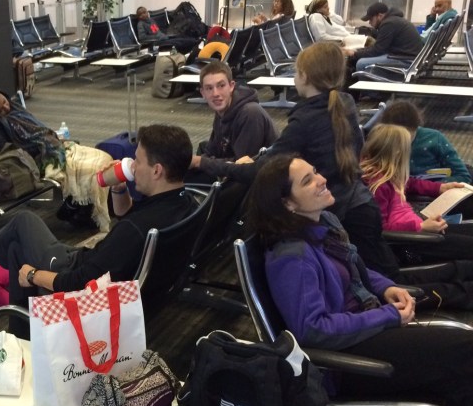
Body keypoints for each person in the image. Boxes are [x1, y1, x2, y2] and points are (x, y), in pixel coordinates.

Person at [247, 153, 473, 406]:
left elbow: (357, 270)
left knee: (462, 373)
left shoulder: (324, 223)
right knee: (465, 353)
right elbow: (312, 331)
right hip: (348, 360)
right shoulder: (292, 256)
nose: (321, 179)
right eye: (307, 180)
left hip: (365, 326)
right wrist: (387, 314)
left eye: (315, 171)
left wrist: (386, 288)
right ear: (287, 204)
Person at [189, 41, 400, 278]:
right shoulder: (344, 102)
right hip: (359, 203)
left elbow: (259, 173)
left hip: (340, 214)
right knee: (383, 277)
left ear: (304, 76)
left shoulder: (305, 121)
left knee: (383, 285)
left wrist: (202, 162)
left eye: (296, 72)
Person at [0, 124, 197, 311]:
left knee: (24, 221)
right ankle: (22, 328)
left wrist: (33, 275)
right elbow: (126, 215)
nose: (133, 166)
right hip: (133, 283)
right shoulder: (185, 203)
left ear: (157, 170)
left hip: (77, 276)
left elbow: (79, 283)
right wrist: (118, 187)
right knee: (16, 250)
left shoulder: (134, 229)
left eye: (137, 160)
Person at [0, 79, 113, 231]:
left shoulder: (15, 108)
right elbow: (12, 154)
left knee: (102, 158)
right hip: (33, 160)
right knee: (90, 168)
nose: (6, 108)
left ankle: (77, 206)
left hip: (53, 148)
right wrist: (45, 145)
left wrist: (49, 141)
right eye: (0, 110)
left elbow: (39, 129)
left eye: (4, 102)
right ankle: (78, 207)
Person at [360, 124, 473, 262]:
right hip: (411, 242)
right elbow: (381, 229)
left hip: (417, 230)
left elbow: (412, 183)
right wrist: (421, 227)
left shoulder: (388, 175)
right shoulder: (379, 186)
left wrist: (440, 188)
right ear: (398, 153)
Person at [190, 60, 278, 182]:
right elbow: (212, 151)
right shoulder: (222, 111)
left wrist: (200, 162)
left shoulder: (250, 113)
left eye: (221, 86)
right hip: (239, 172)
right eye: (209, 88)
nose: (215, 93)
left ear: (231, 86)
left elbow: (242, 167)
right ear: (202, 93)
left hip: (262, 181)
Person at [381, 100, 471, 183]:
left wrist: (436, 187)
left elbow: (463, 175)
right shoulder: (383, 140)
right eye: (395, 137)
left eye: (406, 136)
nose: (401, 141)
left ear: (415, 127)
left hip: (436, 189)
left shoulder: (434, 139)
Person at [343, 2, 423, 72]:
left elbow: (378, 50)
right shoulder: (394, 20)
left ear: (380, 16)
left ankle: (366, 85)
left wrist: (355, 53)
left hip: (406, 60)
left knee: (361, 64)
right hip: (407, 57)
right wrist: (358, 51)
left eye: (371, 19)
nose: (369, 23)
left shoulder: (389, 24)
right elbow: (378, 47)